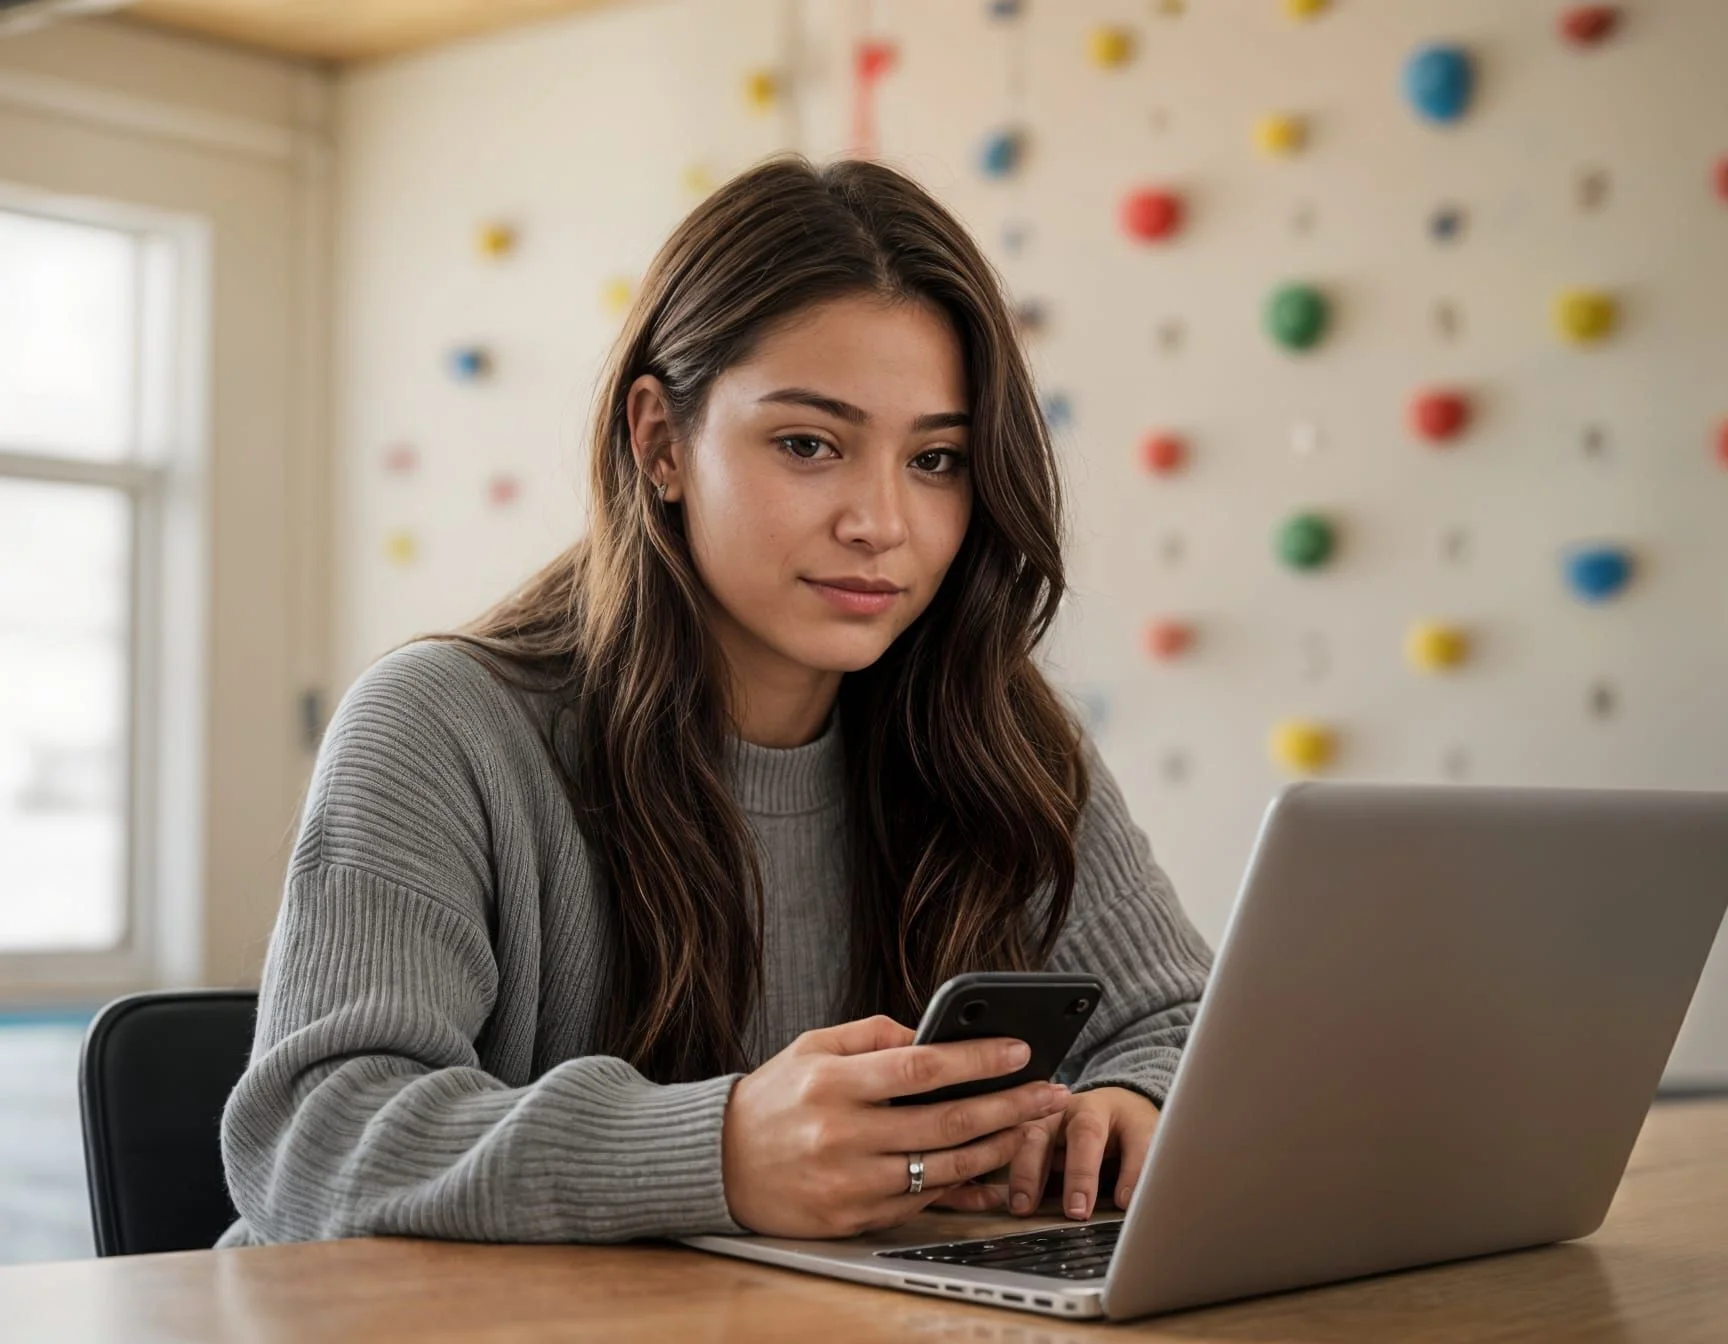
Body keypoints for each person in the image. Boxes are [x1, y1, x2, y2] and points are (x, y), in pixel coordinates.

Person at [217, 155, 1213, 1248]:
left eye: (936, 459)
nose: (882, 520)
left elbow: (1187, 1023)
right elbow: (312, 1142)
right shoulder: (439, 726)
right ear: (660, 443)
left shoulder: (1004, 736)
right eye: (807, 444)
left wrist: (1139, 1104)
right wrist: (720, 1152)